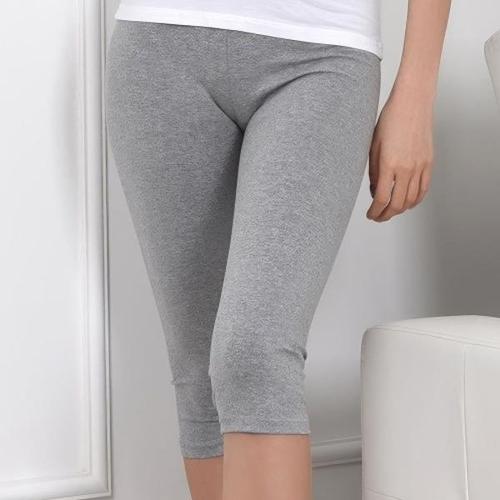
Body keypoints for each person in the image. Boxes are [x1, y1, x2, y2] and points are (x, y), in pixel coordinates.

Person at [104, 1, 451, 499]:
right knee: (200, 379)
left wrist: (415, 94)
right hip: (162, 41)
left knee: (255, 354)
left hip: (324, 52)